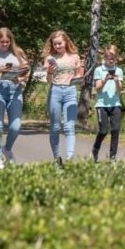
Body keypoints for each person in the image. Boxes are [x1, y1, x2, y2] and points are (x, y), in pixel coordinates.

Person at [0, 28, 30, 167]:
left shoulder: (18, 52)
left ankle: (6, 149)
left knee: (16, 126)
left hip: (15, 90)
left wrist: (20, 79)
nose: (4, 44)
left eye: (7, 42)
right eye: (2, 41)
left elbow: (26, 71)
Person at [43, 30, 84, 166]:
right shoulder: (49, 58)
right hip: (55, 91)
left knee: (69, 127)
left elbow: (78, 75)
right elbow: (48, 80)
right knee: (55, 127)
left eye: (60, 43)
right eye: (55, 44)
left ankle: (70, 158)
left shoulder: (74, 57)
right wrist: (50, 71)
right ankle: (56, 158)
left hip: (70, 92)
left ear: (66, 42)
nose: (58, 46)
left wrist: (80, 80)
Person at [91, 44, 124, 162]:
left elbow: (120, 90)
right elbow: (98, 89)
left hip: (115, 104)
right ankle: (95, 149)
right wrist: (105, 80)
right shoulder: (98, 70)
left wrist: (116, 81)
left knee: (115, 130)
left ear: (116, 57)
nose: (111, 58)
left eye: (114, 56)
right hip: (102, 105)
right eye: (109, 56)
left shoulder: (119, 70)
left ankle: (113, 157)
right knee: (103, 131)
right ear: (105, 56)